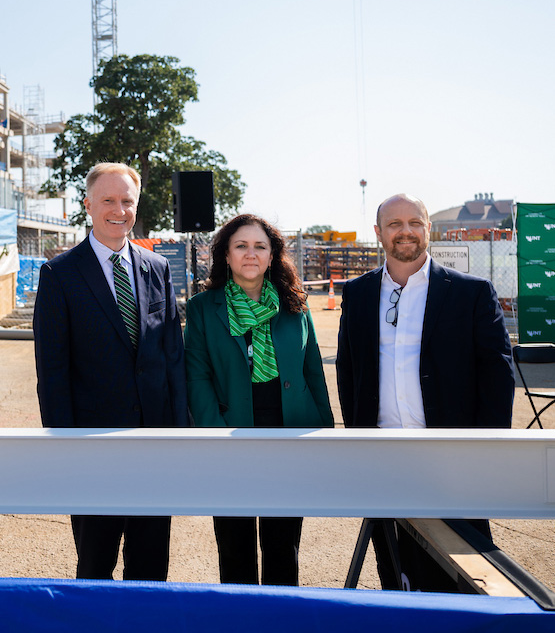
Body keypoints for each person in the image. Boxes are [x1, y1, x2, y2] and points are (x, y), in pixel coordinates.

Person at [336, 193, 514, 591]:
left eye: (415, 222)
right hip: (383, 454)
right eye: (395, 224)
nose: (406, 231)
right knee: (394, 566)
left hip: (450, 455)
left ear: (428, 228)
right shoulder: (359, 294)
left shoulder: (471, 293)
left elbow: (497, 376)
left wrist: (485, 448)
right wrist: (359, 435)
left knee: (463, 570)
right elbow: (348, 371)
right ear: (379, 233)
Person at [33, 162, 187, 581]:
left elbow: (172, 355)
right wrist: (65, 445)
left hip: (152, 444)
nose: (118, 210)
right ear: (88, 205)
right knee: (96, 565)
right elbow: (52, 372)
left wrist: (179, 434)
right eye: (108, 200)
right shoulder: (59, 274)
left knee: (151, 564)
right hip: (92, 445)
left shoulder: (157, 268)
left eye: (126, 201)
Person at [185, 213, 333, 586]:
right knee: (235, 547)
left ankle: (281, 619)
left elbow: (312, 367)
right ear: (227, 255)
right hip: (230, 438)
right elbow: (197, 376)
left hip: (290, 436)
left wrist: (324, 430)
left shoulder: (295, 303)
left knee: (283, 545)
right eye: (241, 246)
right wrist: (215, 434)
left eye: (260, 246)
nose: (250, 254)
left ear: (272, 256)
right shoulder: (204, 307)